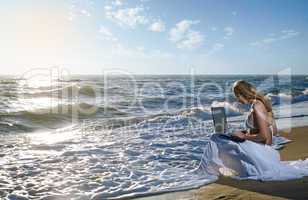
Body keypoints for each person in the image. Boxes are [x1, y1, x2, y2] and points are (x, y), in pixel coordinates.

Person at [199, 80, 308, 181]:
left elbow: (264, 137)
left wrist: (244, 137)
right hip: (261, 148)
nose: (237, 99)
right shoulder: (258, 104)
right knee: (221, 136)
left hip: (263, 152)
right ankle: (216, 169)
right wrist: (245, 132)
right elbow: (270, 131)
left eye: (237, 96)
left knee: (216, 137)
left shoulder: (257, 106)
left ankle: (209, 171)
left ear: (242, 94)